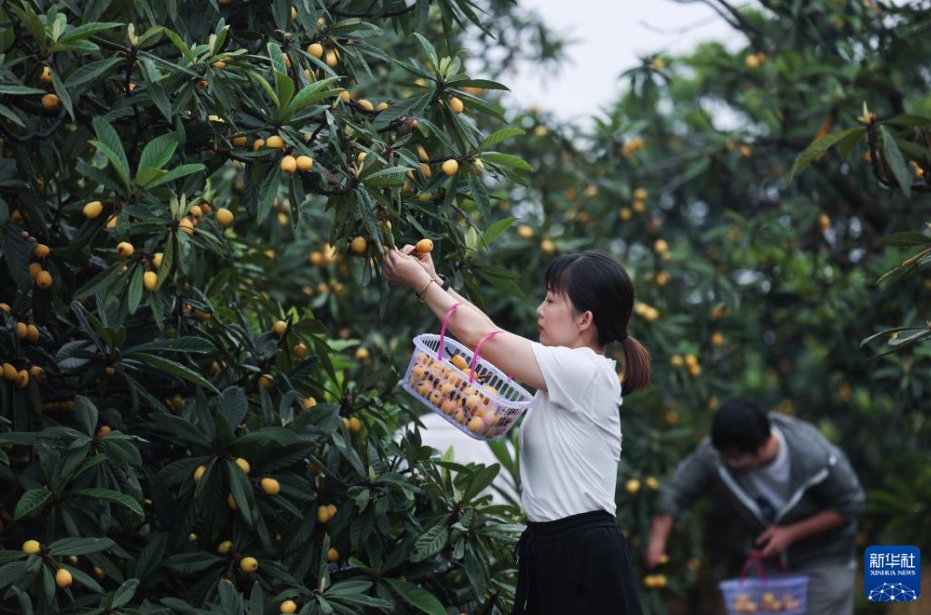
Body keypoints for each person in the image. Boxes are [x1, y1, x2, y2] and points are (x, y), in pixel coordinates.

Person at [384, 246, 650, 615]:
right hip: (551, 546)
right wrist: (434, 280)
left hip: (582, 552)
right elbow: (486, 330)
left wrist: (421, 284)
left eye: (551, 300)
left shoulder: (586, 371)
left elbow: (483, 337)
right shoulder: (559, 375)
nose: (540, 311)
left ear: (584, 319)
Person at [646, 398, 865, 615]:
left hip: (824, 559)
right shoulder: (718, 454)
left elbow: (851, 505)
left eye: (735, 459)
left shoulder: (816, 458)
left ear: (762, 446)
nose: (727, 464)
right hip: (769, 562)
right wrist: (657, 543)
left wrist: (790, 534)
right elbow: (676, 491)